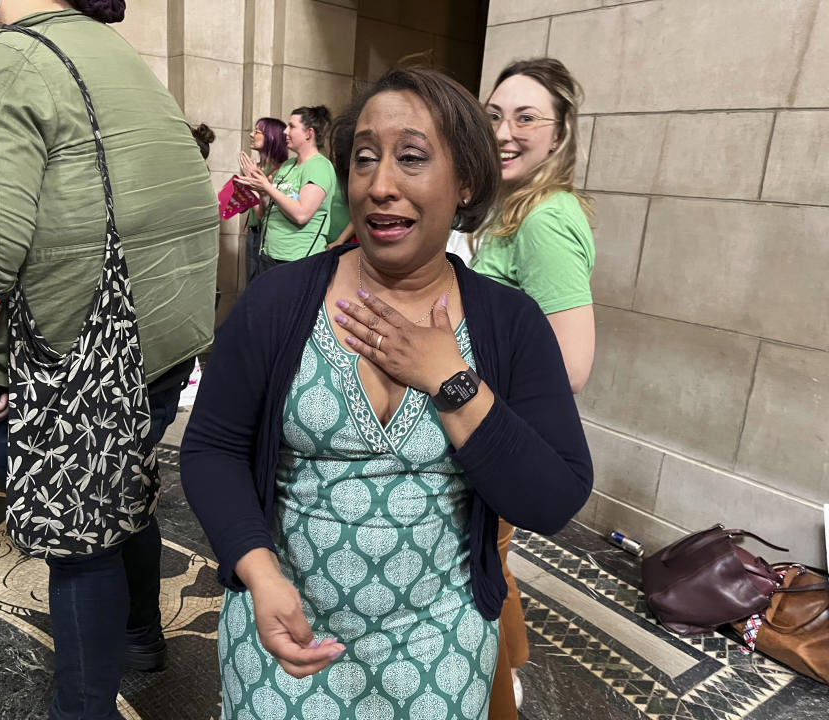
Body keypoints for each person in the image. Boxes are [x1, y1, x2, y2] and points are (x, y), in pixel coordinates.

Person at [181, 67, 592, 718]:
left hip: (437, 650)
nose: (380, 184)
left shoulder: (508, 325)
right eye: (365, 158)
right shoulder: (279, 303)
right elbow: (212, 447)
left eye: (411, 157)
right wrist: (256, 570)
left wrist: (452, 382)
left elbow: (553, 497)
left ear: (465, 182)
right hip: (286, 636)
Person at [0, 1, 219, 718]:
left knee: (78, 539)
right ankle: (141, 637)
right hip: (156, 342)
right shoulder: (114, 56)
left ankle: (81, 709)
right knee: (128, 486)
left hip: (68, 356)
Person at [461, 57, 596, 720]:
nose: (505, 132)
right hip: (488, 427)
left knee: (476, 574)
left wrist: (462, 388)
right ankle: (510, 673)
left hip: (497, 432)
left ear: (558, 136)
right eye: (494, 116)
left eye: (526, 118)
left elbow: (571, 364)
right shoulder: (512, 208)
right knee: (493, 557)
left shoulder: (543, 220)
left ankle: (493, 701)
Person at [238, 105, 336, 275]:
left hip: (297, 258)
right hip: (269, 255)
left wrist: (267, 187)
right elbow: (263, 214)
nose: (284, 131)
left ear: (309, 133)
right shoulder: (287, 166)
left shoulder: (320, 167)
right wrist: (261, 191)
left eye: (291, 126)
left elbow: (301, 214)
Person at [241, 117, 287, 281]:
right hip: (253, 233)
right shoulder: (255, 167)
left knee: (262, 283)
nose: (251, 135)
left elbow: (264, 211)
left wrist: (253, 181)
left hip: (267, 235)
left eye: (257, 131)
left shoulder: (281, 170)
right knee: (251, 282)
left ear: (271, 137)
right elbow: (243, 206)